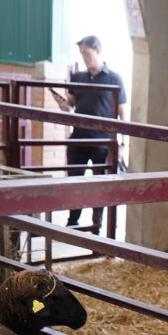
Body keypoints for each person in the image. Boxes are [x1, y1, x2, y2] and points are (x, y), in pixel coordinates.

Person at [50, 35, 128, 231]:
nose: (84, 57)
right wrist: (62, 104)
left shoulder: (115, 79)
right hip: (79, 139)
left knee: (99, 184)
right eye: (81, 54)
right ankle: (72, 222)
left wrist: (123, 144)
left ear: (98, 51)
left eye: (87, 53)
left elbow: (123, 114)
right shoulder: (78, 78)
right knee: (74, 181)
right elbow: (70, 106)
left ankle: (97, 225)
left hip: (102, 142)